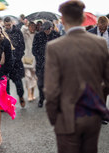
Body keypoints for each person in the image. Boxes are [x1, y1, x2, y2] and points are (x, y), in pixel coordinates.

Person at [44, 1, 109, 153]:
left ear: (63, 20)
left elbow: (51, 90)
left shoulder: (55, 47)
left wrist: (54, 117)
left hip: (67, 115)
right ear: (83, 19)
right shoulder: (100, 43)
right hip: (93, 113)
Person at [32, 20, 60, 108]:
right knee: (41, 84)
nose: (46, 31)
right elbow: (34, 49)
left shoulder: (56, 35)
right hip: (41, 63)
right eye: (45, 30)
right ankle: (41, 98)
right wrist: (39, 57)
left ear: (51, 28)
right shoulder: (38, 35)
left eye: (48, 29)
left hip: (53, 64)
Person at [88, 16, 109, 125]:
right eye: (100, 28)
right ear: (97, 24)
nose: (102, 30)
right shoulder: (90, 33)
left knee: (105, 89)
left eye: (104, 28)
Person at [4, 16, 26, 108]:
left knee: (18, 83)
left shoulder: (17, 31)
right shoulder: (3, 33)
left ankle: (21, 96)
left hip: (16, 62)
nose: (8, 27)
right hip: (6, 62)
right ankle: (7, 102)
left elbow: (22, 46)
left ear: (12, 23)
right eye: (6, 25)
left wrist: (17, 57)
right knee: (6, 84)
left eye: (9, 25)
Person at [21, 20, 37, 102]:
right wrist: (25, 25)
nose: (32, 28)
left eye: (34, 26)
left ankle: (33, 93)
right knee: (27, 77)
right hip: (27, 57)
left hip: (35, 58)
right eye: (31, 26)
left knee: (34, 77)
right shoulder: (25, 33)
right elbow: (21, 31)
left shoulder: (37, 35)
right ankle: (29, 94)